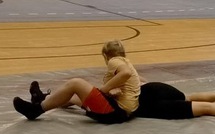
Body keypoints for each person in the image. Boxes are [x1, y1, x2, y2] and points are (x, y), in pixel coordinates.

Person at [12, 39, 140, 123]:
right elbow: (133, 80)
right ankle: (42, 98)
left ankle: (36, 110)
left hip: (115, 112)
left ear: (105, 56)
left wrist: (105, 89)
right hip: (122, 112)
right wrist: (113, 90)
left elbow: (126, 74)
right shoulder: (127, 63)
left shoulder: (114, 61)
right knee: (73, 96)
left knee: (75, 83)